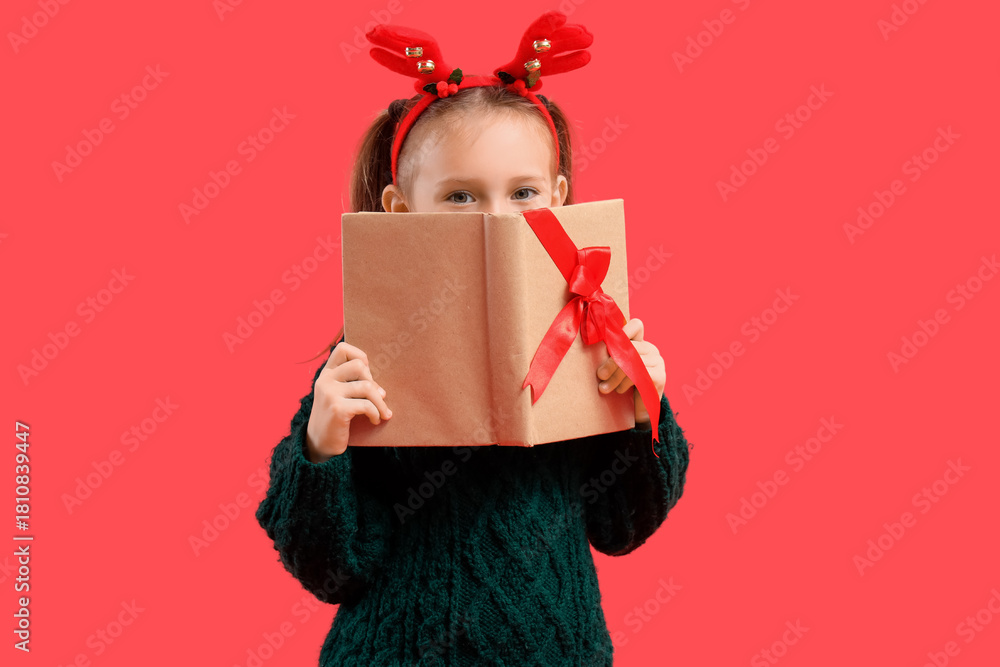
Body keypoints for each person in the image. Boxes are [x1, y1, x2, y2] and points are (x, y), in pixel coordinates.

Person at [255, 11, 691, 665]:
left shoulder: (590, 340)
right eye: (460, 197)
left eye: (523, 192)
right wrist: (320, 447)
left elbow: (622, 527)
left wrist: (641, 410)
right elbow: (331, 569)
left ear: (559, 197)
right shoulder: (364, 364)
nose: (494, 218)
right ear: (401, 210)